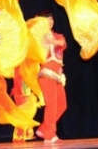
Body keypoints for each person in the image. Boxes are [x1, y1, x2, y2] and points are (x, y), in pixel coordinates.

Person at [35, 11, 67, 144]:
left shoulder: (57, 36)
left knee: (62, 104)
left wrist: (52, 40)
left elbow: (63, 43)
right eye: (48, 19)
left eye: (52, 19)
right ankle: (49, 134)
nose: (51, 21)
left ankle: (44, 129)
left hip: (57, 76)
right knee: (52, 105)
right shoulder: (39, 37)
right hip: (46, 73)